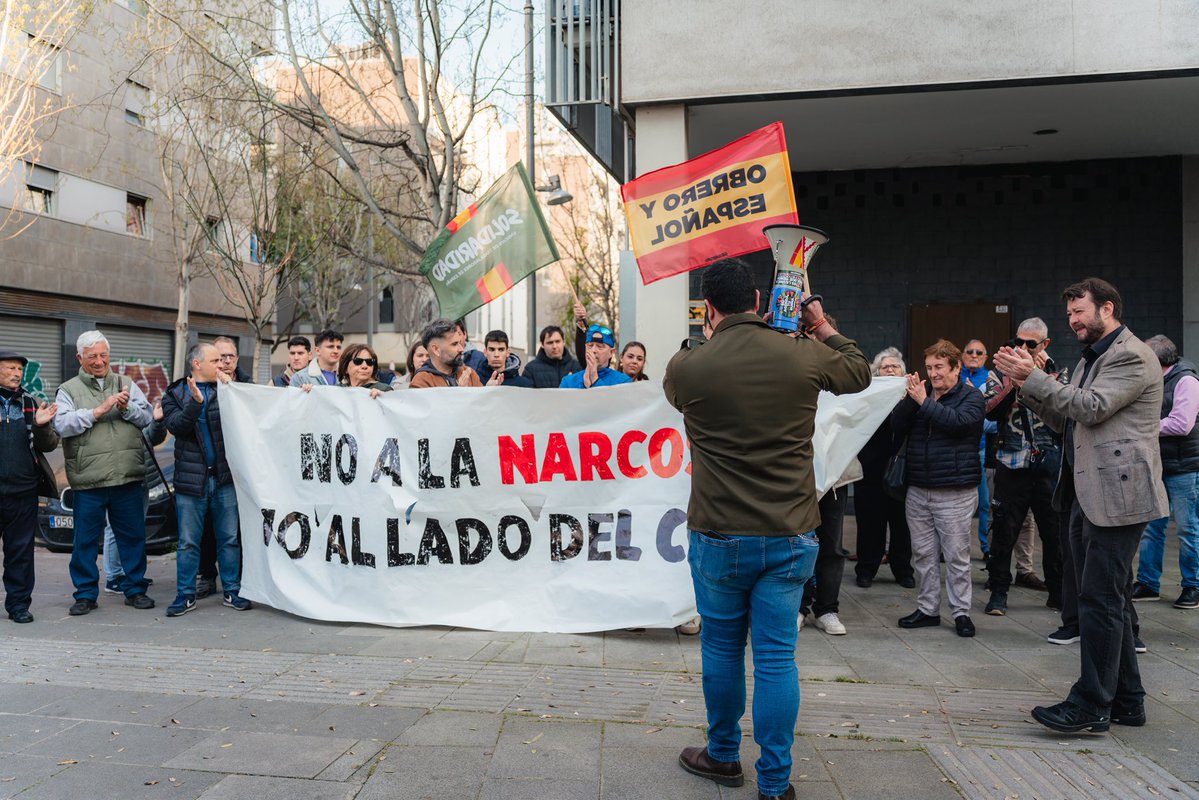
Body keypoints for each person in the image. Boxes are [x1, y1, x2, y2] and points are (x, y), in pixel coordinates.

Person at [665, 258, 870, 800]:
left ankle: (724, 755)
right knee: (777, 659)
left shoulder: (690, 366)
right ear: (759, 300)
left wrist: (707, 341)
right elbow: (858, 370)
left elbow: (674, 393)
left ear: (708, 310)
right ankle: (776, 784)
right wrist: (816, 321)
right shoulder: (802, 353)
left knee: (722, 651)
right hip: (789, 533)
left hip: (718, 535)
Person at [995, 277, 1166, 734]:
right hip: (1083, 492)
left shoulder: (1129, 355)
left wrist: (1031, 375)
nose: (1072, 322)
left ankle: (1091, 704)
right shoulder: (1096, 357)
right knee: (1107, 601)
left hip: (1118, 495)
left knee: (1099, 601)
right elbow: (1068, 420)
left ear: (1107, 308)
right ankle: (1128, 700)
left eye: (1079, 312)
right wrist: (1025, 384)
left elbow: (1090, 408)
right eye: (1069, 314)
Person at [53, 330, 156, 615]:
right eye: (92, 357)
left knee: (133, 537)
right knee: (84, 541)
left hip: (126, 476)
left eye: (103, 355)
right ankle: (85, 595)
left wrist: (126, 408)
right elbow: (61, 425)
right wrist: (97, 411)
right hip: (89, 480)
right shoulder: (68, 389)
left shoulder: (126, 383)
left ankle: (135, 589)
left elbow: (146, 417)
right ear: (80, 358)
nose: (99, 362)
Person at [891, 339, 985, 638]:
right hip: (918, 488)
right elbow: (896, 425)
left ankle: (961, 613)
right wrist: (909, 398)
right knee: (923, 554)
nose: (933, 373)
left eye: (940, 367)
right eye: (930, 367)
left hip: (954, 491)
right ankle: (928, 609)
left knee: (956, 556)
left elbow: (957, 424)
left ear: (957, 367)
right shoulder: (922, 395)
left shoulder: (971, 398)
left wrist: (923, 402)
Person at [981, 318, 1066, 617]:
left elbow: (1066, 413)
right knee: (1004, 531)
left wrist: (1040, 378)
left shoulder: (1058, 374)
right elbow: (989, 410)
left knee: (1054, 533)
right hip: (1011, 462)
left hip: (1047, 465)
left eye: (1030, 343)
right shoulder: (998, 374)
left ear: (1044, 345)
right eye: (1019, 341)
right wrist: (1013, 380)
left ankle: (1058, 593)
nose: (1023, 348)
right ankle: (999, 592)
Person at [161, 343, 249, 616]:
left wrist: (232, 385)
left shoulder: (229, 391)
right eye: (215, 360)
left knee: (229, 539)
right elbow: (177, 426)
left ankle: (232, 590)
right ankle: (185, 595)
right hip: (192, 482)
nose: (222, 363)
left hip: (223, 480)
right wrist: (195, 403)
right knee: (188, 542)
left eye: (224, 359)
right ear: (197, 364)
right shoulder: (175, 394)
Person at [1130, 335, 1199, 610]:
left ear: (1158, 360)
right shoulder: (1153, 380)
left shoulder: (1186, 381)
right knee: (1152, 527)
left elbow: (1182, 424)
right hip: (1158, 465)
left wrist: (1146, 426)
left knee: (1188, 529)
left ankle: (1193, 586)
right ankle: (1148, 583)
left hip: (1184, 468)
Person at [0, 350, 58, 624]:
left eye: (19, 370)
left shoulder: (31, 402)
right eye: (10, 368)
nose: (16, 374)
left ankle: (19, 605)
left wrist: (42, 426)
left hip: (23, 491)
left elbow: (48, 445)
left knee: (20, 552)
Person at [853, 348, 915, 589]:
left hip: (902, 472)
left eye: (895, 366)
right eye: (885, 366)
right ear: (876, 372)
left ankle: (903, 570)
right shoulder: (867, 396)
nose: (890, 369)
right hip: (870, 471)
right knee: (869, 523)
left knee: (902, 524)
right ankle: (866, 569)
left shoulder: (912, 396)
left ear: (903, 372)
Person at [962, 339, 998, 557]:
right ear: (962, 355)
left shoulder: (991, 380)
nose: (974, 355)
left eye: (979, 352)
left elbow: (994, 422)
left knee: (985, 503)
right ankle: (953, 548)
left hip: (983, 449)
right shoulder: (955, 377)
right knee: (955, 503)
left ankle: (986, 549)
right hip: (959, 449)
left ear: (986, 357)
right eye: (970, 351)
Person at [409, 319, 496, 388]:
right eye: (454, 344)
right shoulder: (421, 381)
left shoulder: (469, 373)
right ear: (436, 349)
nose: (461, 349)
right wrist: (459, 393)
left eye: (460, 343)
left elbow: (480, 408)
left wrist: (487, 392)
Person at [560, 325, 633, 388]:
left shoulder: (623, 382)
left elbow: (613, 403)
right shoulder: (568, 382)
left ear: (611, 352)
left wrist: (595, 379)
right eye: (590, 345)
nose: (593, 350)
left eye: (600, 346)